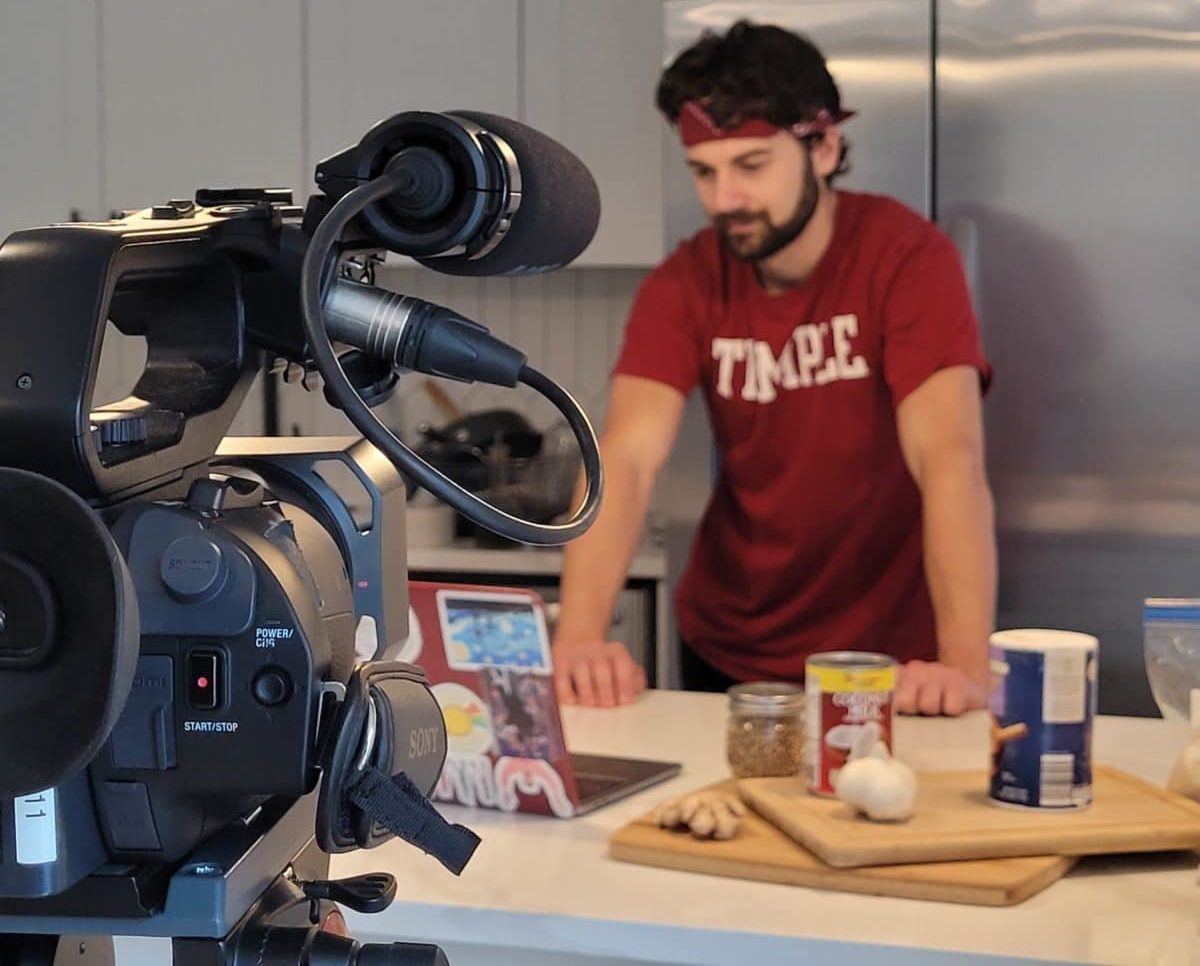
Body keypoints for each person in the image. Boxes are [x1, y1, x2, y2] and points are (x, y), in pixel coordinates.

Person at [551, 21, 996, 717]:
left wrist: (965, 665)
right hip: (731, 650)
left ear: (823, 147)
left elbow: (949, 458)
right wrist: (577, 639)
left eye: (751, 165)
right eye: (705, 170)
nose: (724, 198)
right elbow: (627, 458)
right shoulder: (687, 282)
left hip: (891, 662)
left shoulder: (907, 259)